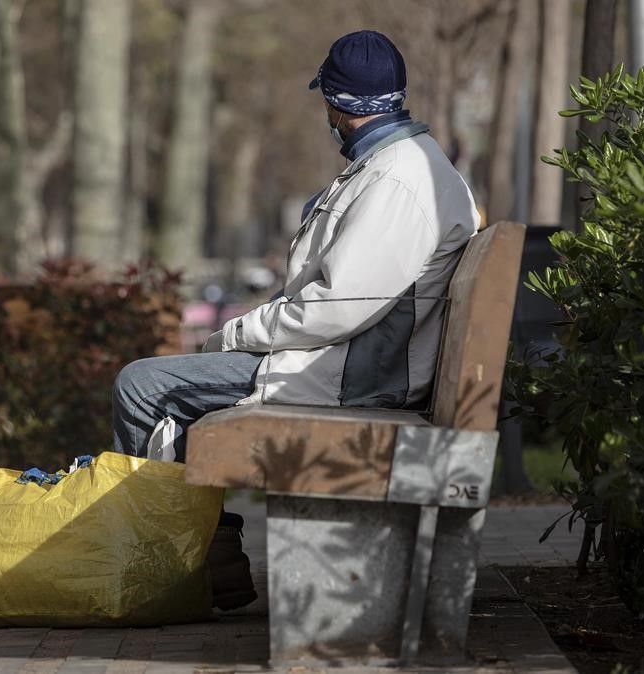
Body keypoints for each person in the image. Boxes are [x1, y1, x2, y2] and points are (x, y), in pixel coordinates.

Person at [111, 30, 480, 610]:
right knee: (160, 385)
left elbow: (334, 309)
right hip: (351, 362)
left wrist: (233, 334)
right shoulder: (396, 167)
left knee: (144, 387)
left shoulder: (396, 179)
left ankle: (158, 570)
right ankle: (206, 560)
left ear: (335, 104)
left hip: (351, 375)